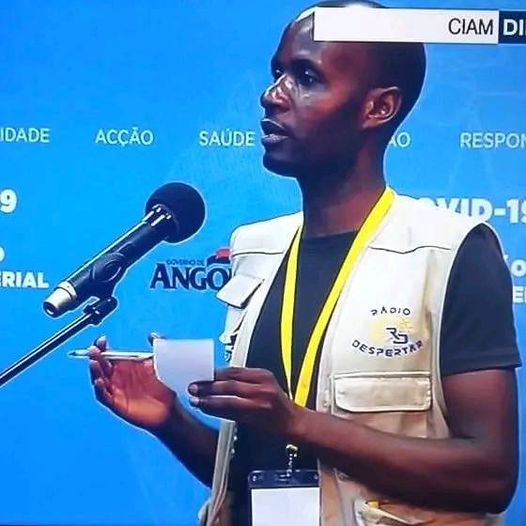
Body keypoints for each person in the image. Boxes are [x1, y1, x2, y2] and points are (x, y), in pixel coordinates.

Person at [88, 1, 521, 525]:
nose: (272, 95)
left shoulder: (452, 252)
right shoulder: (257, 248)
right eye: (278, 72)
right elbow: (268, 476)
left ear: (378, 108)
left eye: (306, 77)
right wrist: (170, 420)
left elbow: (489, 476)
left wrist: (298, 422)